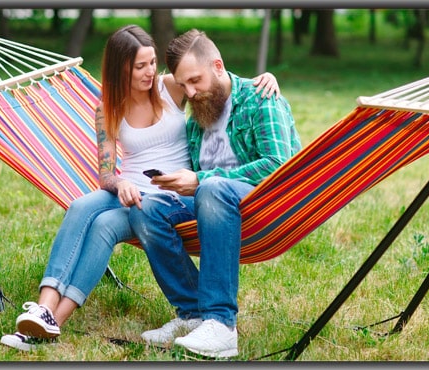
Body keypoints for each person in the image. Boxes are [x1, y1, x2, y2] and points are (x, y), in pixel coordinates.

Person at [0, 25, 281, 351]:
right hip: (130, 192)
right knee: (83, 210)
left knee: (102, 221)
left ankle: (48, 321)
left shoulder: (171, 87)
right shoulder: (107, 109)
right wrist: (120, 183)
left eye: (152, 62)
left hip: (172, 195)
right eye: (140, 66)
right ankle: (46, 313)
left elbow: (211, 77)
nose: (150, 72)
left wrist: (268, 76)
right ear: (122, 69)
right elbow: (106, 173)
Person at [128, 29, 302, 359]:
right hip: (209, 204)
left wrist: (202, 179)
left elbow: (279, 165)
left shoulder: (261, 98)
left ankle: (221, 324)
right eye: (184, 85)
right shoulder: (199, 115)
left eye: (196, 79)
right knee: (146, 209)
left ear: (218, 66)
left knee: (212, 187)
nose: (191, 92)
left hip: (264, 206)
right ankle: (193, 314)